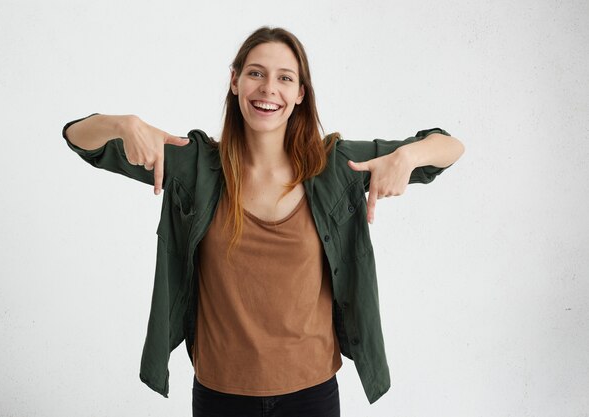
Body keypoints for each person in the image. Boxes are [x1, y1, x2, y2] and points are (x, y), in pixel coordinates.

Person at [62, 26, 464, 417]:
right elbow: (79, 140)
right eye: (256, 73)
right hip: (220, 395)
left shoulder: (336, 166)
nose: (269, 88)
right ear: (235, 81)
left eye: (284, 78)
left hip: (312, 394)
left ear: (300, 94)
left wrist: (409, 157)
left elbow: (449, 147)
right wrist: (122, 124)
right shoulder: (194, 166)